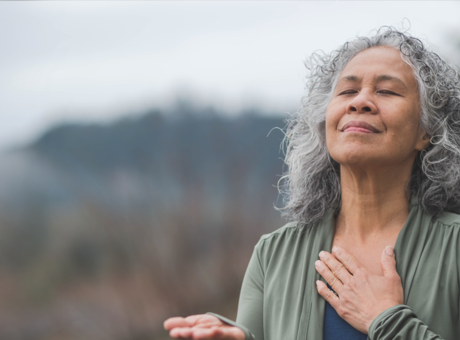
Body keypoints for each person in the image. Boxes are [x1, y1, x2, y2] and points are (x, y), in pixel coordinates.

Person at [164, 27, 460, 340]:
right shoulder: (274, 254)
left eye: (386, 91)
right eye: (347, 92)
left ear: (427, 131)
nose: (360, 102)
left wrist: (386, 320)